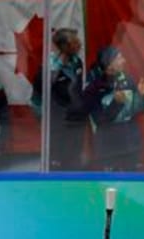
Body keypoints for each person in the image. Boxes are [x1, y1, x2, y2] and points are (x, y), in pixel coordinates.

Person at [84, 46, 144, 171]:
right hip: (108, 145)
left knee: (131, 184)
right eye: (119, 57)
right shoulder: (94, 86)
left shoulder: (127, 80)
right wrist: (116, 103)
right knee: (110, 186)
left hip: (130, 143)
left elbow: (134, 111)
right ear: (109, 64)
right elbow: (99, 119)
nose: (124, 60)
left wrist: (140, 96)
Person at [44, 28, 88, 171]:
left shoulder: (77, 62)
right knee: (58, 159)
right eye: (74, 42)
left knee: (74, 159)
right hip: (58, 119)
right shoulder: (50, 64)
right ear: (63, 46)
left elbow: (79, 87)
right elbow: (44, 87)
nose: (79, 44)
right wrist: (59, 65)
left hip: (76, 118)